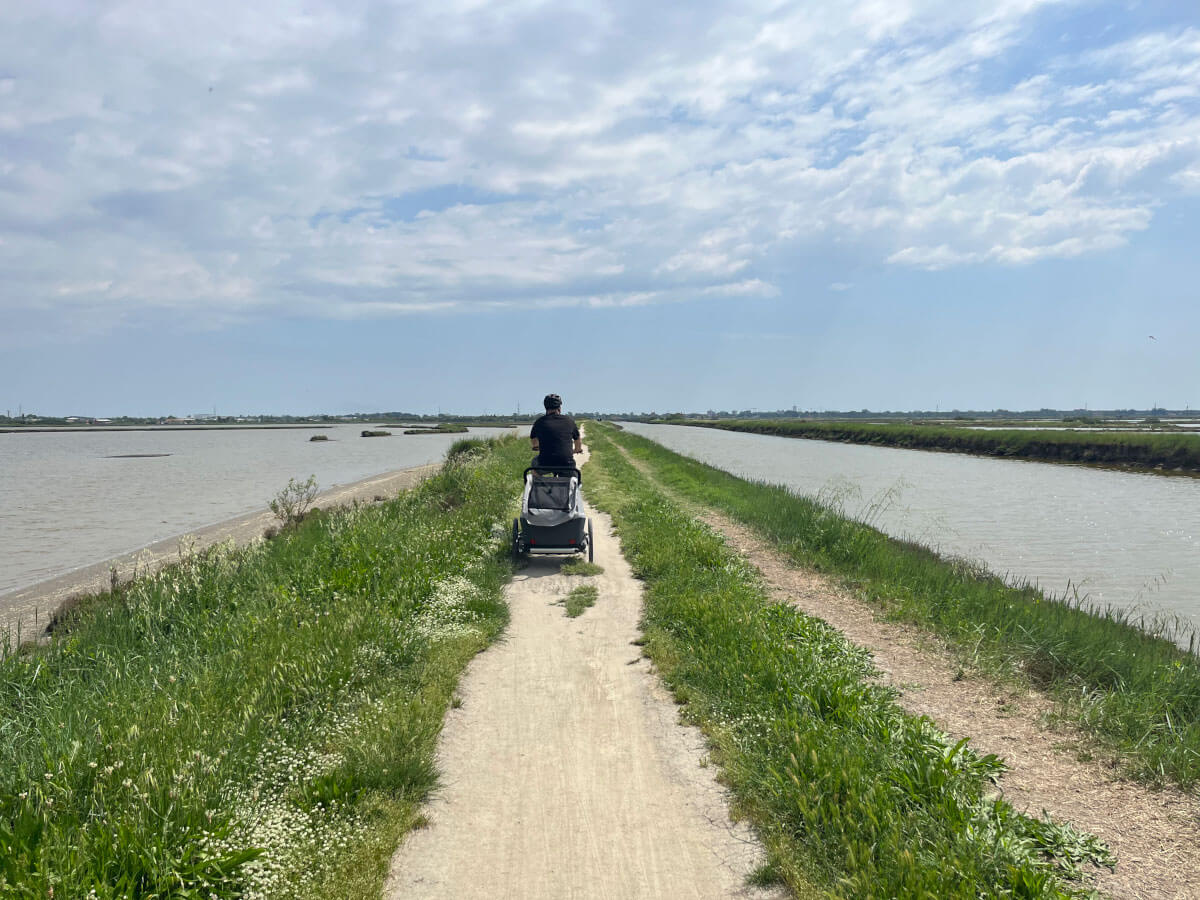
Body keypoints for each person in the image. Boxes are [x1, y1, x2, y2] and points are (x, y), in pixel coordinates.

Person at [530, 393, 581, 470]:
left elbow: (534, 443)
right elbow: (577, 441)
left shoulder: (539, 422)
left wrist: (538, 447)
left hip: (544, 463)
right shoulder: (569, 421)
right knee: (575, 478)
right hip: (566, 463)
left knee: (534, 462)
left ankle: (536, 480)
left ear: (545, 408)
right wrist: (576, 450)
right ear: (559, 408)